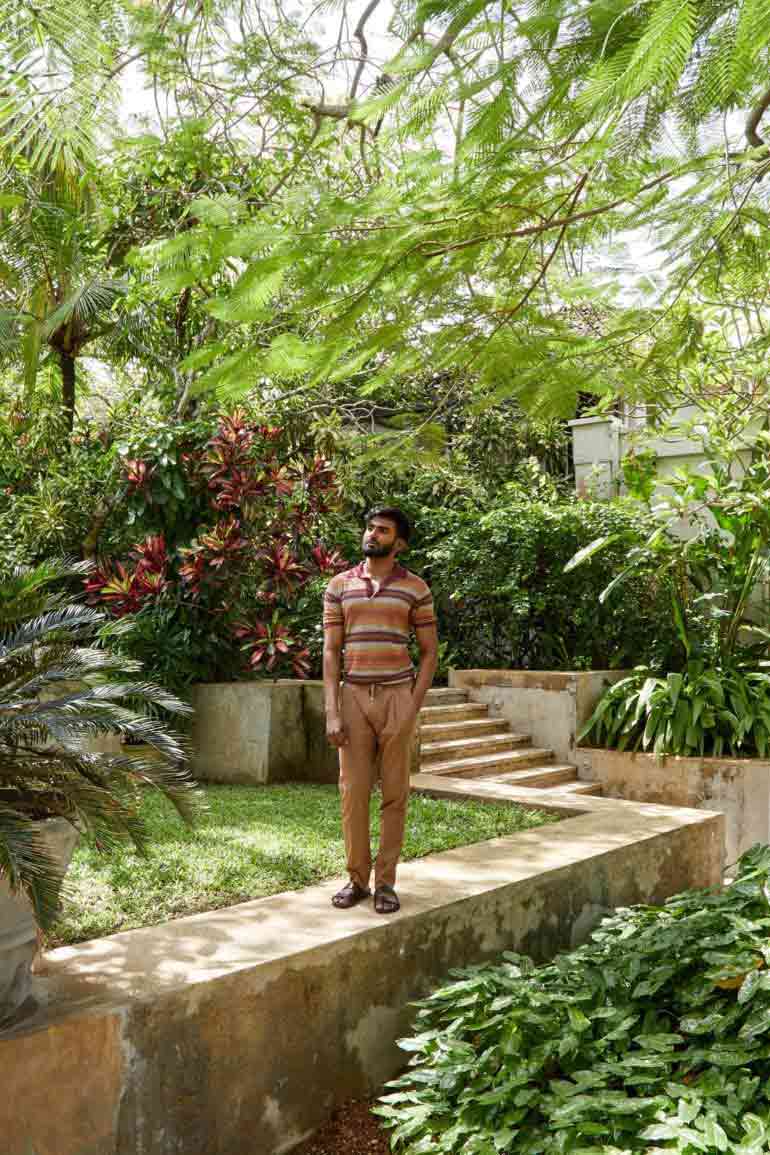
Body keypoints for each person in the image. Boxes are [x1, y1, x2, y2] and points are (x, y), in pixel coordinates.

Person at [323, 506, 438, 914]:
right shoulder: (339, 585)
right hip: (353, 696)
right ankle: (357, 880)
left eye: (382, 530)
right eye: (370, 528)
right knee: (352, 792)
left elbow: (429, 655)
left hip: (396, 697)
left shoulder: (416, 588)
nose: (372, 534)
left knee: (394, 794)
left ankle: (386, 882)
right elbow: (331, 651)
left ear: (399, 543)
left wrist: (411, 705)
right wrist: (332, 711)